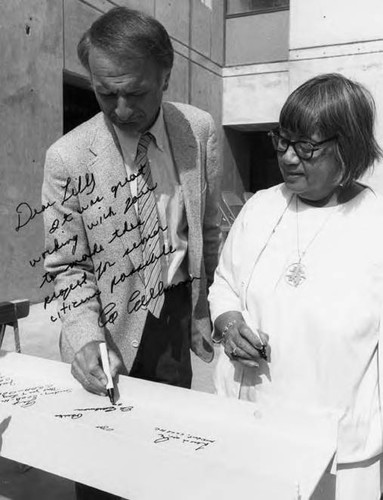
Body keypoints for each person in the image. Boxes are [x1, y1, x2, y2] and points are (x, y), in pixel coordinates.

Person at [42, 6, 221, 499]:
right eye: (105, 93)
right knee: (103, 467)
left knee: (166, 459)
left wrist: (202, 312)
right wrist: (82, 337)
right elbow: (67, 265)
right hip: (104, 326)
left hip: (173, 316)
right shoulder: (68, 158)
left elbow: (207, 227)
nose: (120, 108)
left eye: (135, 92)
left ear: (165, 75)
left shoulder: (199, 130)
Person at [208, 73, 383, 499]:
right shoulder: (261, 207)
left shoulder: (374, 223)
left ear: (349, 148)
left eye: (306, 147)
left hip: (341, 449)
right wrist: (229, 324)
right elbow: (225, 284)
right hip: (251, 426)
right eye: (282, 141)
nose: (287, 157)